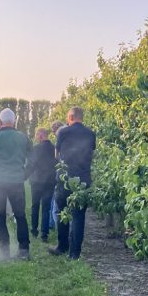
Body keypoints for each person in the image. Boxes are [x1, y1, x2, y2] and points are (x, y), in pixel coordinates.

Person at [0, 107, 32, 260]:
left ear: (0, 122)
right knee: (20, 215)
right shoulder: (23, 137)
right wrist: (25, 174)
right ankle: (23, 251)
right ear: (14, 121)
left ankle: (4, 252)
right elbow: (34, 159)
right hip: (16, 182)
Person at [49, 107, 96, 260]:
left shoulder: (63, 132)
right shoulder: (90, 133)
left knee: (62, 212)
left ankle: (62, 246)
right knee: (78, 216)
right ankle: (75, 253)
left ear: (70, 117)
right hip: (83, 179)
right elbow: (91, 154)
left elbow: (57, 155)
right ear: (81, 117)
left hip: (65, 178)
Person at [27, 127, 56, 242]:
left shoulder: (36, 149)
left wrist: (25, 176)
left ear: (40, 135)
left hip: (37, 181)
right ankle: (44, 234)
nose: (35, 137)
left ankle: (34, 231)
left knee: (35, 206)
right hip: (49, 181)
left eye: (36, 135)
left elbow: (32, 164)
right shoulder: (54, 148)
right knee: (46, 208)